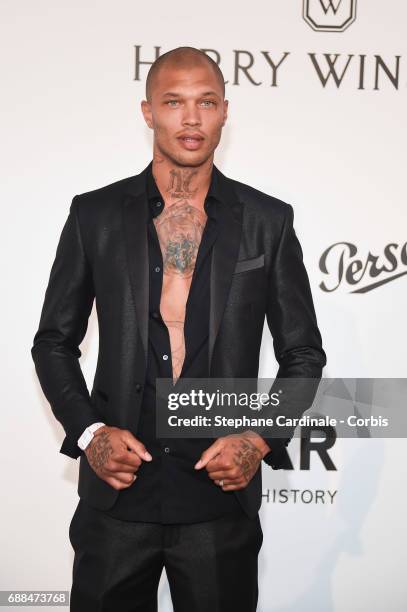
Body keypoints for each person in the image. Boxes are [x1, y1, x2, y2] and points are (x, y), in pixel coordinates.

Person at [31, 46, 326, 612]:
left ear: (224, 112)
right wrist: (91, 435)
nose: (191, 119)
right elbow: (53, 342)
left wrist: (257, 439)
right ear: (148, 112)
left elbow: (303, 354)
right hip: (116, 495)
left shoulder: (269, 221)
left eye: (206, 103)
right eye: (174, 102)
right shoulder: (94, 214)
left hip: (218, 499)